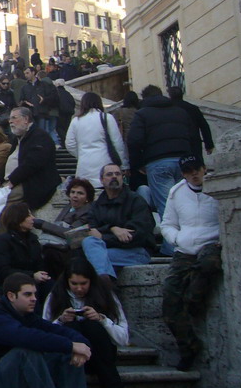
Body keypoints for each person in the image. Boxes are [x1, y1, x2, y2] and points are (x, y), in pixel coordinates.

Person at [160, 154, 222, 371]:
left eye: (197, 169)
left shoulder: (218, 186)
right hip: (184, 247)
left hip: (211, 243)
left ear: (204, 168)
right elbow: (167, 223)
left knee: (208, 265)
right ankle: (188, 347)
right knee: (169, 296)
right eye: (188, 171)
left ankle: (195, 299)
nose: (194, 174)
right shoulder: (176, 192)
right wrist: (176, 239)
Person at [43, 258, 129, 388]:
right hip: (69, 357)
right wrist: (61, 320)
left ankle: (112, 386)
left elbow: (123, 338)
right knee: (71, 328)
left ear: (91, 281)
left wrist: (102, 319)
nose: (79, 289)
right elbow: (43, 333)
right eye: (74, 284)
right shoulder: (55, 295)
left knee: (92, 326)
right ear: (67, 282)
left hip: (100, 354)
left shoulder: (106, 294)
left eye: (83, 283)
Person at [0, 107, 61, 243]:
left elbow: (32, 164)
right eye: (10, 119)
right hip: (10, 184)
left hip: (29, 184)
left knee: (1, 212)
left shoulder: (40, 137)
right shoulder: (17, 139)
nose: (10, 122)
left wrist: (12, 181)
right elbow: (7, 163)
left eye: (14, 118)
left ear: (26, 119)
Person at [127, 85, 198, 218]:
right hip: (184, 162)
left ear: (144, 98)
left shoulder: (142, 114)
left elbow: (133, 141)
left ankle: (172, 238)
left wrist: (137, 164)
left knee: (167, 209)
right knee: (186, 204)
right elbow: (194, 137)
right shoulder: (181, 112)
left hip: (157, 162)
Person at [80, 163, 155, 280]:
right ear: (102, 180)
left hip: (136, 252)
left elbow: (135, 235)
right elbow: (92, 231)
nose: (114, 177)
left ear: (122, 177)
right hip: (106, 250)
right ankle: (107, 286)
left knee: (91, 258)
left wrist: (103, 237)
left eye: (117, 174)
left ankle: (104, 286)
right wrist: (112, 229)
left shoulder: (136, 201)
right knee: (90, 243)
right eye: (109, 174)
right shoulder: (96, 206)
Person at [32, 177, 95, 279]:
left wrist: (43, 224)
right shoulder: (69, 207)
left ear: (87, 198)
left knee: (50, 253)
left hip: (72, 250)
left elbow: (71, 232)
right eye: (73, 192)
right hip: (59, 246)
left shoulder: (87, 212)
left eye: (80, 193)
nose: (75, 196)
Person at [0, 202, 53, 302]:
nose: (33, 218)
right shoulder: (2, 241)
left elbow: (39, 263)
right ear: (18, 219)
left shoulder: (33, 239)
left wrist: (42, 274)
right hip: (13, 285)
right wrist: (32, 276)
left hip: (34, 282)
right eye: (28, 215)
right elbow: (3, 271)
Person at [65, 92, 127, 188]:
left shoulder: (76, 121)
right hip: (105, 163)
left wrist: (81, 154)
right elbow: (117, 143)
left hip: (84, 166)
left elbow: (69, 144)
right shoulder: (107, 118)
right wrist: (123, 165)